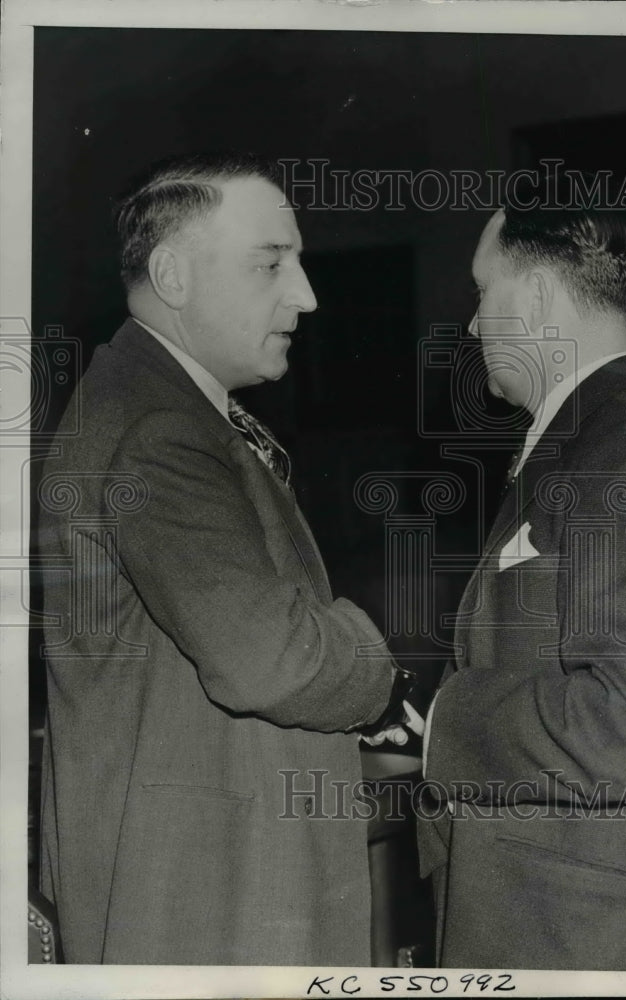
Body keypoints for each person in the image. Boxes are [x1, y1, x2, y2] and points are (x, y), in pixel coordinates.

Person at [37, 152, 407, 965]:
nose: (305, 295)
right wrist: (379, 674)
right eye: (272, 263)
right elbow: (266, 661)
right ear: (172, 273)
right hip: (205, 893)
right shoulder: (158, 429)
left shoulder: (165, 405)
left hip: (207, 873)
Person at [419, 190, 626, 970]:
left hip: (583, 933)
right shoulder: (595, 433)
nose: (473, 326)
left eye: (483, 294)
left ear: (538, 296)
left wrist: (449, 720)